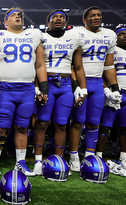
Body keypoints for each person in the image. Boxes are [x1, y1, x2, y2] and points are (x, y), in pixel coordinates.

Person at [0, 8, 48, 176]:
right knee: (1, 127)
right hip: (5, 88)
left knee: (22, 127)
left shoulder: (34, 35)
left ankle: (20, 162)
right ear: (5, 21)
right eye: (13, 15)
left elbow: (40, 64)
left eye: (20, 15)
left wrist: (43, 86)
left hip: (27, 89)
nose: (17, 17)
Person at [32, 9, 87, 175]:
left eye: (62, 17)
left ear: (66, 22)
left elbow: (77, 67)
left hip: (65, 85)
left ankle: (59, 160)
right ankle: (38, 161)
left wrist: (80, 88)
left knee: (62, 123)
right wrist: (37, 86)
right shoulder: (41, 37)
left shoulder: (74, 38)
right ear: (48, 22)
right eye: (54, 17)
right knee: (42, 123)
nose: (58, 19)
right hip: (46, 82)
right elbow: (36, 65)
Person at [68, 6, 119, 172]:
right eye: (92, 15)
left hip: (97, 82)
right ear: (84, 19)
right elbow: (72, 64)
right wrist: (77, 86)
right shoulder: (77, 33)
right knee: (77, 121)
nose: (96, 17)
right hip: (81, 81)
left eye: (99, 15)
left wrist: (114, 88)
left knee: (93, 122)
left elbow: (109, 65)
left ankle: (89, 156)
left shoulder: (109, 34)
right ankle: (74, 156)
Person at [96, 26, 126, 162]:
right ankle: (98, 156)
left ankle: (124, 158)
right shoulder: (111, 51)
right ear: (115, 37)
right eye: (122, 34)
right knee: (105, 127)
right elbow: (102, 72)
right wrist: (107, 91)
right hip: (112, 94)